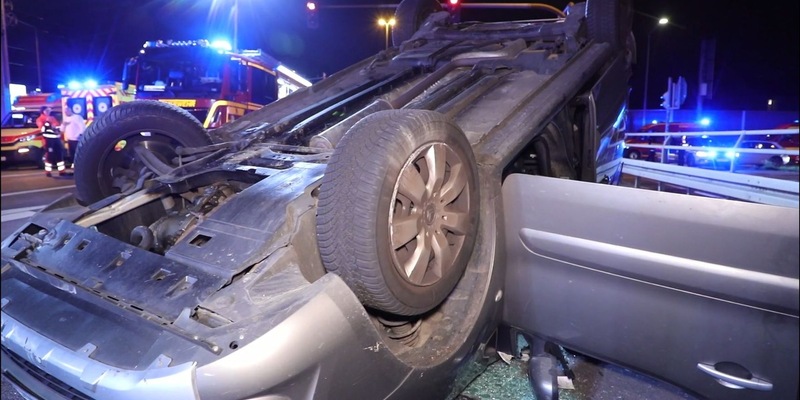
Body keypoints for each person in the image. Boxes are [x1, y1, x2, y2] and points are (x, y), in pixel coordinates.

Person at [36, 105, 66, 177]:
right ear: (43, 111)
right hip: (48, 140)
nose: (48, 111)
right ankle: (48, 172)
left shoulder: (52, 118)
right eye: (47, 110)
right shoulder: (40, 119)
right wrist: (48, 123)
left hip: (56, 138)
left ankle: (62, 171)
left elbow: (57, 127)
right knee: (49, 156)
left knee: (59, 155)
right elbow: (42, 129)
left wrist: (56, 127)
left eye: (49, 110)